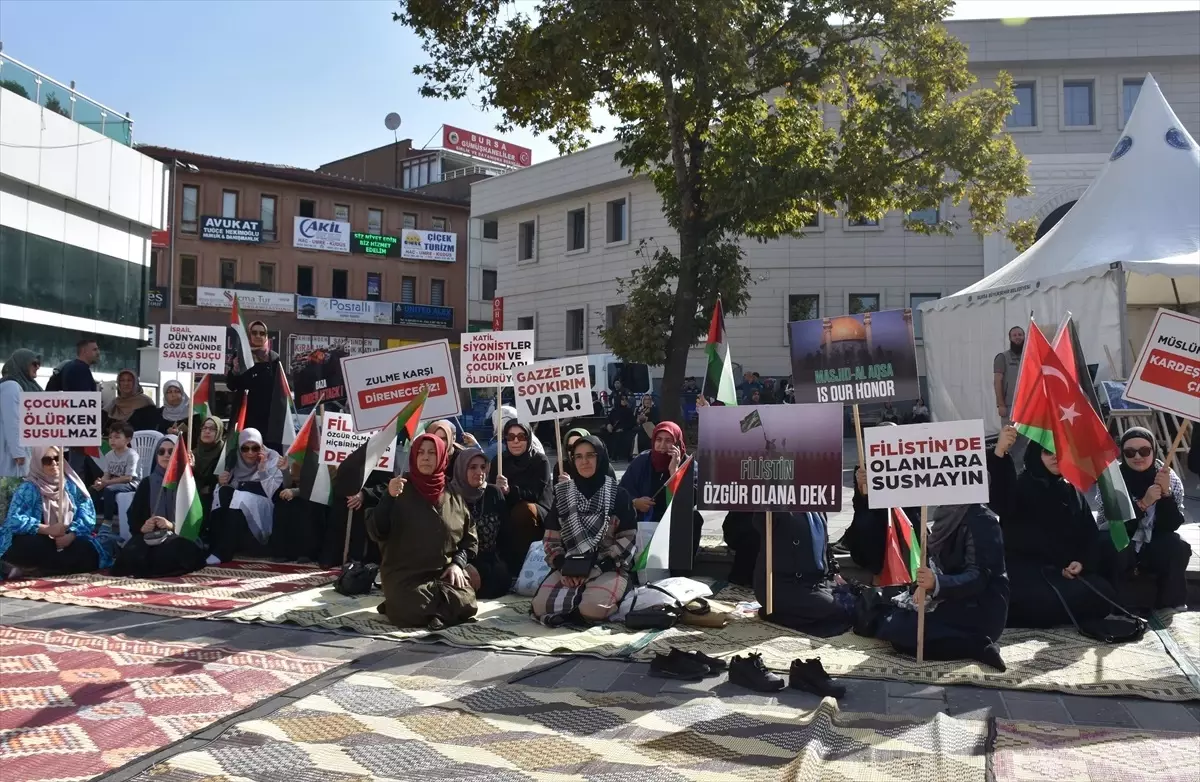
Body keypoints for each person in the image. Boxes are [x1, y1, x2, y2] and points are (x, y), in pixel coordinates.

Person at [875, 503, 1009, 670]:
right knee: (892, 617)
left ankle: (977, 646)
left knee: (903, 632)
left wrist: (936, 583)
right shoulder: (948, 515)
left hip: (979, 610)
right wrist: (924, 585)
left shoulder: (983, 521)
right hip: (951, 599)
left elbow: (979, 577)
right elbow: (938, 563)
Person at [1003, 442, 1118, 628]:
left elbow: (1089, 534)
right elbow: (1020, 539)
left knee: (1103, 593)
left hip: (1068, 572)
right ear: (1036, 455)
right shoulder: (1019, 488)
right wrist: (1056, 567)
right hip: (1031, 573)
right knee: (1043, 602)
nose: (1055, 457)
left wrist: (1081, 562)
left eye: (1061, 452)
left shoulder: (1070, 489)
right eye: (1048, 452)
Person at [370, 434, 477, 629]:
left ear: (443, 457)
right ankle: (428, 611)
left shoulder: (453, 493)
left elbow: (469, 538)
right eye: (420, 453)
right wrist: (388, 498)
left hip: (442, 574)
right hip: (405, 575)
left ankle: (431, 613)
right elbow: (378, 531)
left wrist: (458, 564)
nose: (425, 457)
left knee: (466, 601)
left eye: (432, 453)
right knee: (409, 604)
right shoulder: (399, 489)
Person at [532, 436, 636, 625]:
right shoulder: (563, 495)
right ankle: (575, 604)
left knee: (593, 610)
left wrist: (597, 568)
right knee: (541, 607)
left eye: (590, 455)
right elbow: (551, 540)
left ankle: (608, 595)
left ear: (601, 457)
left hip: (607, 566)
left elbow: (627, 541)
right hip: (570, 567)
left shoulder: (618, 495)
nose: (584, 461)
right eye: (578, 457)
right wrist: (564, 567)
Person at [1103, 427, 1192, 610]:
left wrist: (1165, 494)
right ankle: (1115, 603)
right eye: (1129, 452)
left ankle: (1171, 602)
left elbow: (1171, 525)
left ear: (1153, 450)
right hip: (1123, 537)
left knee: (1177, 545)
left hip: (1154, 539)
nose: (1137, 457)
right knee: (1113, 544)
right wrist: (1144, 503)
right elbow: (1116, 526)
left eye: (1144, 451)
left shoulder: (1168, 477)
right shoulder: (1113, 479)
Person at [1, 446, 110, 577]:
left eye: (57, 459)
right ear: (37, 463)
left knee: (86, 550)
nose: (54, 464)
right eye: (47, 460)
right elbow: (14, 519)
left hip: (67, 539)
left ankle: (36, 569)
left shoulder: (72, 486)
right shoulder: (29, 488)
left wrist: (71, 535)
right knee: (32, 546)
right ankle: (41, 567)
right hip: (40, 538)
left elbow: (87, 516)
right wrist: (47, 529)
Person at [111, 435, 208, 577]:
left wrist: (172, 525)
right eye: (161, 452)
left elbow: (198, 519)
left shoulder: (188, 483)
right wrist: (143, 526)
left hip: (181, 535)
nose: (166, 455)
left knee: (168, 553)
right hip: (152, 534)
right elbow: (134, 514)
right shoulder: (147, 482)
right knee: (131, 553)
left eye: (171, 451)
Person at [754, 510, 852, 636]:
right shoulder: (779, 509)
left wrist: (835, 571)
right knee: (837, 610)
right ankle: (774, 613)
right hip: (783, 586)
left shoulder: (817, 506)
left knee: (852, 597)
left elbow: (825, 544)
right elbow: (760, 523)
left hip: (816, 581)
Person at [620, 422, 702, 566]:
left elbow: (691, 500)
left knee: (694, 518)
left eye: (668, 440)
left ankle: (680, 570)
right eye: (659, 440)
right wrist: (635, 502)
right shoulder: (642, 461)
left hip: (673, 520)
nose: (662, 445)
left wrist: (674, 471)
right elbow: (621, 492)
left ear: (677, 442)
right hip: (644, 519)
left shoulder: (688, 465)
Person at [209, 428, 283, 563]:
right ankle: (214, 546)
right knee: (222, 492)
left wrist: (262, 470)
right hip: (237, 504)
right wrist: (222, 482)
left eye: (255, 448)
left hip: (262, 506)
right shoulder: (233, 458)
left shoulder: (272, 458)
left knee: (240, 498)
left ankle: (223, 552)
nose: (250, 453)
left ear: (261, 447)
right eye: (245, 448)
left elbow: (273, 492)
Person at [489, 420, 553, 570]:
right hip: (506, 510)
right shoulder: (499, 461)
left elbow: (535, 494)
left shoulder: (539, 461)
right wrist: (496, 488)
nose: (516, 441)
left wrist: (510, 490)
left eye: (521, 436)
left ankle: (525, 564)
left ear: (529, 438)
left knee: (523, 510)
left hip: (536, 512)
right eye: (510, 437)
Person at [452, 446, 512, 599]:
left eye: (483, 467)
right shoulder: (449, 495)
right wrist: (461, 564)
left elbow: (505, 534)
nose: (479, 472)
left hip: (489, 562)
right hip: (458, 561)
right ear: (461, 469)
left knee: (499, 578)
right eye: (472, 467)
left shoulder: (493, 493)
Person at [225, 321, 285, 450]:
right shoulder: (240, 355)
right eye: (254, 332)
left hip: (268, 418)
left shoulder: (274, 358)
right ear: (248, 335)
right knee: (245, 451)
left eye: (262, 333)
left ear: (266, 336)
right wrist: (235, 370)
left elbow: (280, 390)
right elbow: (231, 385)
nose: (258, 336)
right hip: (245, 414)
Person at [90, 422, 140, 529]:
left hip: (131, 483)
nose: (112, 440)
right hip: (113, 482)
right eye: (110, 437)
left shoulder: (131, 455)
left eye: (117, 437)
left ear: (128, 440)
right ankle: (91, 516)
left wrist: (106, 483)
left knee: (109, 490)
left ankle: (108, 520)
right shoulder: (109, 455)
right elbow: (106, 474)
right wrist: (101, 482)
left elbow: (128, 477)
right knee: (94, 489)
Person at [1, 349, 41, 478]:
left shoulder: (27, 385)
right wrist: (18, 453)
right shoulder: (10, 386)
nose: (37, 367)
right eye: (34, 363)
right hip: (11, 457)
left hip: (26, 451)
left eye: (38, 363)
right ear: (22, 363)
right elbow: (12, 421)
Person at [190, 416, 226, 516]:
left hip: (216, 501)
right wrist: (191, 469)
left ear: (219, 432)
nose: (207, 431)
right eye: (204, 428)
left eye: (212, 429)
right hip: (195, 499)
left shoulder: (225, 453)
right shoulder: (194, 454)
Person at [602, 394, 636, 461]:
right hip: (613, 429)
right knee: (604, 433)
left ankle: (614, 456)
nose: (624, 401)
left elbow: (632, 422)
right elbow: (608, 419)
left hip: (625, 430)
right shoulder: (614, 410)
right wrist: (608, 425)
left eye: (626, 399)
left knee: (619, 436)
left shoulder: (628, 411)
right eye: (622, 399)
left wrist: (623, 428)